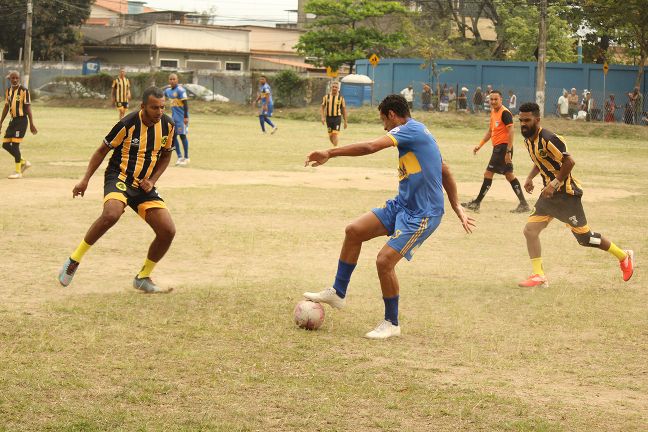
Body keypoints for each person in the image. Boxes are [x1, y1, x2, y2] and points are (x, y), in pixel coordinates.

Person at [303, 94, 475, 339]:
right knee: (354, 231)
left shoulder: (409, 130)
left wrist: (331, 152)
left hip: (422, 214)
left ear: (392, 115)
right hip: (402, 205)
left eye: (384, 120)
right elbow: (444, 169)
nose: (384, 127)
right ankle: (338, 292)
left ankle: (392, 323)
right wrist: (457, 205)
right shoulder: (419, 132)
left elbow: (371, 147)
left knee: (384, 262)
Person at [58, 87, 177, 294]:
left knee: (168, 231)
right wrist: (85, 180)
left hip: (143, 186)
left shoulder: (168, 125)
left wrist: (152, 179)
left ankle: (143, 277)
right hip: (119, 177)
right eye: (154, 107)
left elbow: (166, 155)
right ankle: (74, 260)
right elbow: (102, 151)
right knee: (111, 214)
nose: (159, 112)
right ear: (143, 107)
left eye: (162, 107)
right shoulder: (127, 123)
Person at [516, 102, 634, 288]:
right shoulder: (528, 140)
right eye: (521, 120)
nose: (523, 123)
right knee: (530, 231)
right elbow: (541, 160)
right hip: (549, 196)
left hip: (566, 195)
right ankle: (539, 275)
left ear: (537, 120)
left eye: (527, 120)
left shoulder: (548, 138)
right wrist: (530, 178)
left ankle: (623, 256)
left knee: (586, 239)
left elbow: (569, 162)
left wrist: (554, 184)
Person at [462, 90, 530, 213]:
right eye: (491, 99)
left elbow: (511, 131)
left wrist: (508, 152)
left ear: (501, 100)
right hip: (499, 148)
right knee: (509, 175)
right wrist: (480, 145)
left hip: (503, 148)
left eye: (495, 99)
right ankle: (524, 204)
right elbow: (490, 132)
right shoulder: (493, 112)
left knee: (488, 173)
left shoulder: (505, 113)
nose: (493, 101)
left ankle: (476, 203)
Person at [0, 70, 37, 179]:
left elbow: (28, 107)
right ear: (9, 79)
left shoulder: (24, 91)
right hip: (13, 121)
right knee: (5, 145)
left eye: (17, 78)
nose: (15, 80)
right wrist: (1, 122)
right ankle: (23, 162)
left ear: (19, 79)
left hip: (22, 121)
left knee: (15, 145)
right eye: (13, 78)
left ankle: (18, 172)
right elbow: (6, 107)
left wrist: (31, 123)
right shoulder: (8, 91)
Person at [163, 74, 190, 166]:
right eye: (170, 79)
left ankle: (186, 158)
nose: (172, 81)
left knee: (182, 136)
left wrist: (186, 117)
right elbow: (161, 96)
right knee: (173, 138)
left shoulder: (180, 90)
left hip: (182, 118)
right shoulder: (168, 91)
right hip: (173, 118)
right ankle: (179, 157)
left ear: (177, 80)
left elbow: (185, 104)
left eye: (174, 79)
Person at [320, 81, 348, 147]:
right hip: (329, 118)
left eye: (336, 87)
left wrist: (345, 121)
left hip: (337, 118)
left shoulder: (341, 98)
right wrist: (322, 117)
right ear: (331, 88)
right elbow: (322, 107)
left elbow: (344, 110)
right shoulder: (326, 97)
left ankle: (335, 150)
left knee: (335, 134)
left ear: (338, 89)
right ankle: (335, 148)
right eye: (333, 87)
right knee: (330, 136)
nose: (334, 88)